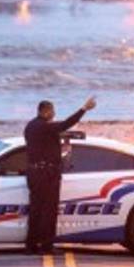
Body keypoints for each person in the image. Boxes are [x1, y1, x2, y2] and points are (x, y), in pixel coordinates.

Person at [23, 96, 96, 253]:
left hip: (34, 173)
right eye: (53, 111)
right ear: (46, 111)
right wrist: (84, 109)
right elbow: (65, 124)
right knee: (49, 210)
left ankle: (31, 245)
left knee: (36, 210)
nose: (54, 114)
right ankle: (47, 245)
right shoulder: (45, 127)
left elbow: (44, 141)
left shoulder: (30, 126)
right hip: (46, 174)